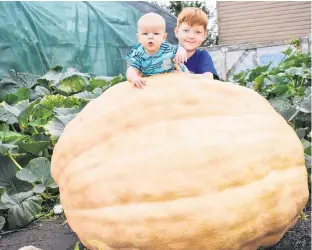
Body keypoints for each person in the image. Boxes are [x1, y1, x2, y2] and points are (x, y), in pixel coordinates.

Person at [125, 12, 189, 89]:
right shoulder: (138, 54)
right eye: (145, 34)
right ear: (138, 38)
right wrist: (134, 77)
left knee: (184, 73)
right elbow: (131, 69)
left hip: (172, 78)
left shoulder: (167, 48)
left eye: (156, 33)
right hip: (153, 82)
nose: (150, 37)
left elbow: (179, 48)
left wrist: (181, 51)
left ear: (163, 37)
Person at [174, 7, 219, 80]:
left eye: (197, 32)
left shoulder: (202, 56)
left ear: (204, 36)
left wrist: (186, 76)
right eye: (186, 30)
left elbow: (208, 78)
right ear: (176, 32)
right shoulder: (167, 53)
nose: (191, 36)